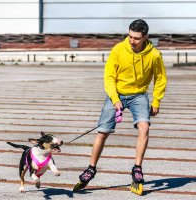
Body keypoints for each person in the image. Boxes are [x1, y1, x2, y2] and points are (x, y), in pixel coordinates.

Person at [73, 19, 167, 195]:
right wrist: (115, 100)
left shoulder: (154, 54)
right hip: (116, 93)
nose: (132, 41)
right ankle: (91, 169)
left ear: (145, 37)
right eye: (130, 36)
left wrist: (156, 101)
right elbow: (109, 76)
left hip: (139, 95)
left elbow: (160, 78)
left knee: (144, 127)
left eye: (136, 38)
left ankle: (137, 168)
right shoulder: (118, 49)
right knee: (102, 132)